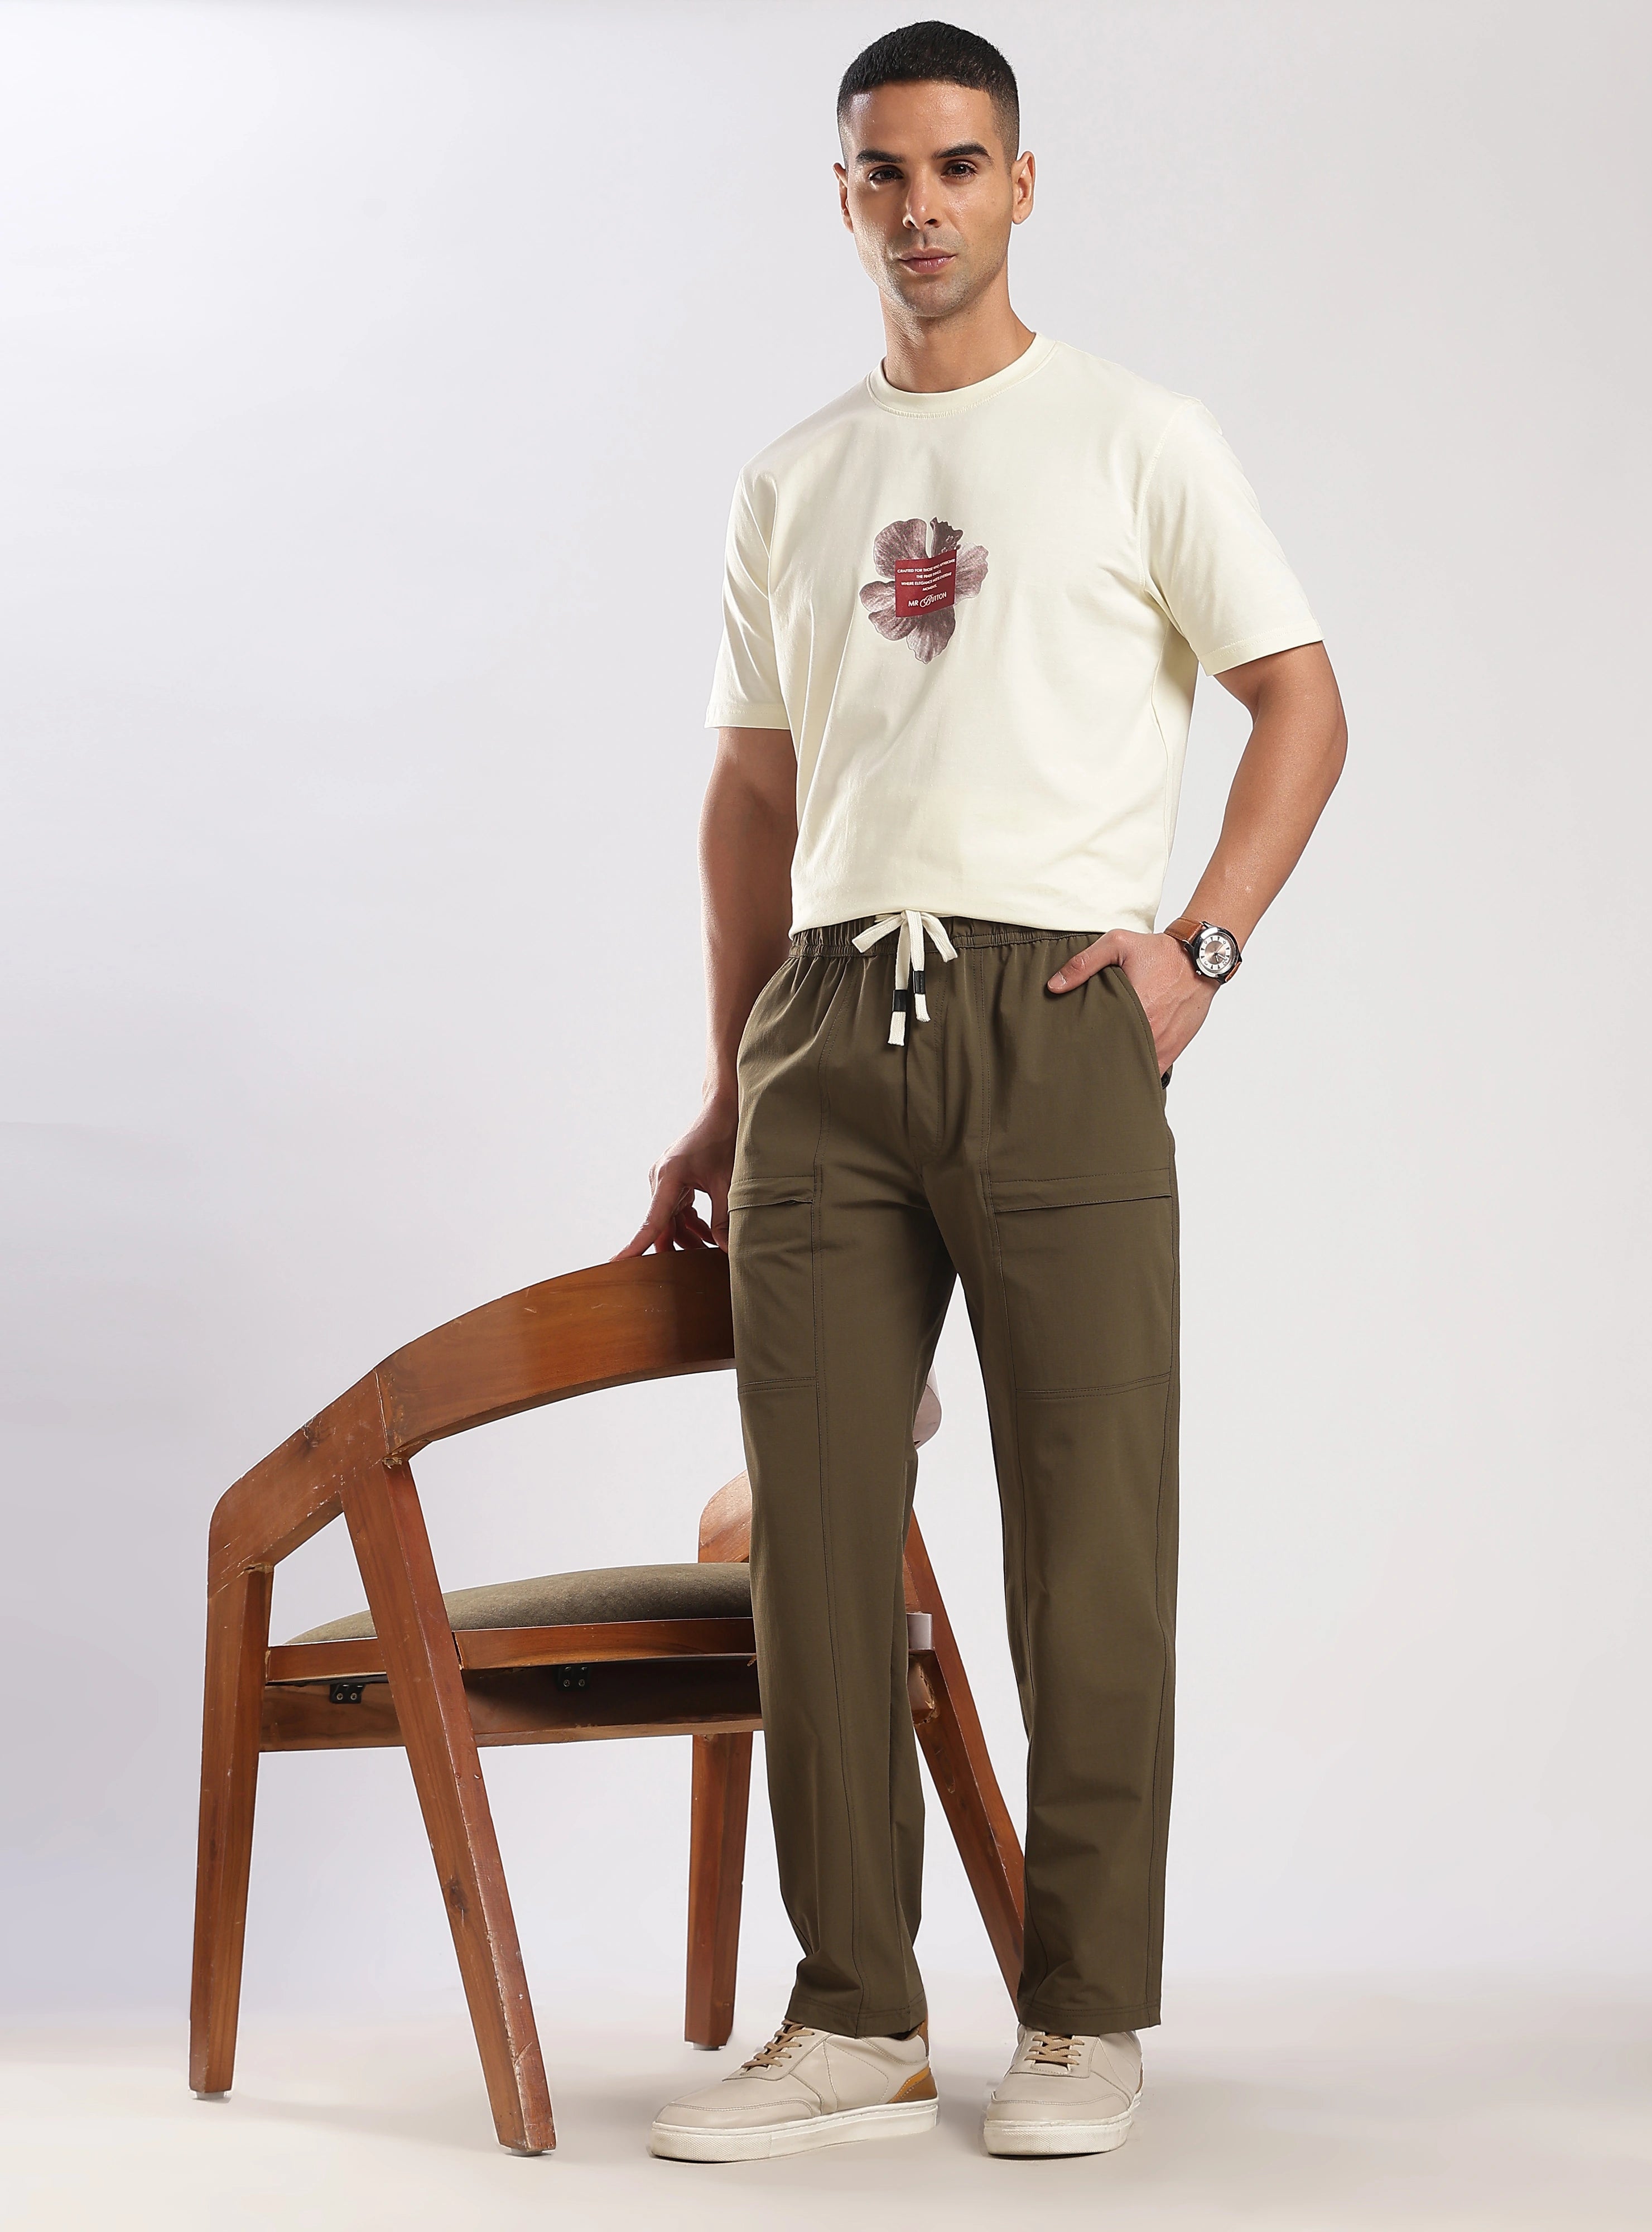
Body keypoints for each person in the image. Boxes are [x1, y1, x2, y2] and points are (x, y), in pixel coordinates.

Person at [619, 18, 1347, 2164]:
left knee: (1088, 1534)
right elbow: (752, 800)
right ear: (842, 197)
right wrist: (728, 1087)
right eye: (884, 172)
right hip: (829, 1027)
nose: (920, 206)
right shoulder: (792, 479)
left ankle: (1084, 2012)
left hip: (1058, 1017)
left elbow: (1301, 701)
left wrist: (1202, 950)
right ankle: (853, 2015)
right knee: (815, 1528)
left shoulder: (1136, 436)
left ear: (1022, 184)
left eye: (957, 167)